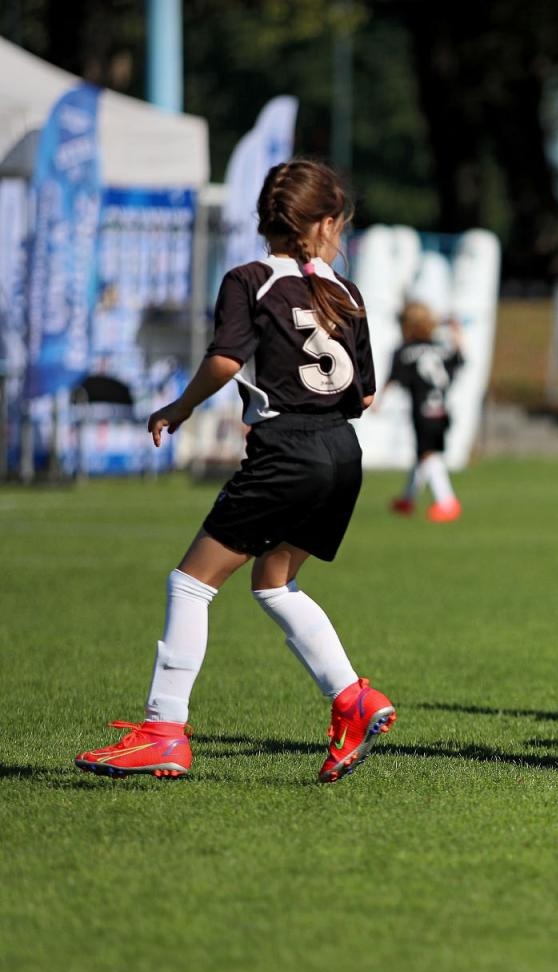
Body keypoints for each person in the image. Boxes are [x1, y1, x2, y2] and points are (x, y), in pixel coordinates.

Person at [73, 158, 394, 784]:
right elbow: (364, 396)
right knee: (273, 583)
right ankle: (352, 698)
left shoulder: (249, 279)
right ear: (328, 223)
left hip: (288, 451)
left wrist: (180, 406)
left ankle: (164, 731)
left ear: (266, 222)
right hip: (342, 453)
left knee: (191, 583)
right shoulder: (345, 292)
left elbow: (225, 360)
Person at [386, 301, 464, 522]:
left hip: (422, 411)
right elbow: (459, 359)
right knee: (423, 454)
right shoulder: (440, 347)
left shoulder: (404, 351)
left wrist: (379, 401)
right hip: (441, 410)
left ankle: (447, 502)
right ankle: (408, 499)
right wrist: (456, 331)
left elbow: (394, 378)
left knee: (429, 455)